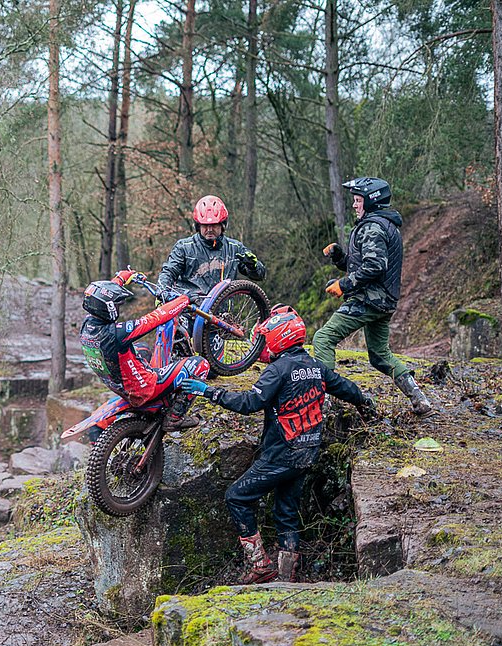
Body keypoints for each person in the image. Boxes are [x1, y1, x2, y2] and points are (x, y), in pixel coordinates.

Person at [181, 305, 375, 583]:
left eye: (265, 338)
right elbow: (348, 388)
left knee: (236, 496)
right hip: (308, 452)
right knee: (285, 511)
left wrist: (209, 392)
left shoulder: (278, 371)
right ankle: (288, 574)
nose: (261, 344)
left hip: (282, 455)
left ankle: (260, 564)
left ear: (278, 338)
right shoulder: (315, 366)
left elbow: (249, 403)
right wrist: (367, 406)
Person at [313, 177, 432, 416]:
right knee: (379, 356)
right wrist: (339, 257)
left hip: (369, 300)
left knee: (322, 339)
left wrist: (344, 286)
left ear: (371, 201)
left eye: (358, 201)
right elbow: (365, 265)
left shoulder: (372, 227)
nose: (354, 205)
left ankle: (320, 401)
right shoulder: (382, 225)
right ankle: (419, 398)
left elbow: (375, 266)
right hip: (383, 301)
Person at [80, 270, 210, 432]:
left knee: (142, 348)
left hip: (121, 386)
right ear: (109, 308)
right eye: (118, 304)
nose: (119, 306)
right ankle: (175, 417)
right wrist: (184, 300)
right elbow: (153, 319)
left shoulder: (88, 326)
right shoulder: (117, 334)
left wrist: (123, 277)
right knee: (201, 364)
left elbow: (102, 297)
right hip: (145, 389)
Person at [157, 195, 266, 302]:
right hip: (190, 312)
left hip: (222, 316)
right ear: (198, 226)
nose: (209, 229)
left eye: (214, 225)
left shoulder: (235, 248)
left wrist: (253, 267)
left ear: (222, 226)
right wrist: (162, 291)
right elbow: (169, 272)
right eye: (205, 225)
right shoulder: (184, 247)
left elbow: (259, 276)